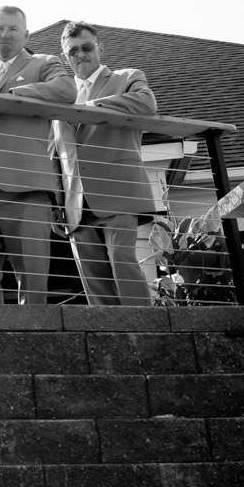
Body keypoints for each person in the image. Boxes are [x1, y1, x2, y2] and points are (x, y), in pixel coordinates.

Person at [0, 5, 76, 304]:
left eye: (13, 29)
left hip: (27, 188)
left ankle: (33, 345)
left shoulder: (44, 64)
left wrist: (14, 96)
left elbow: (66, 90)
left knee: (33, 285)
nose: (5, 34)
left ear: (26, 34)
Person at [57, 21, 159, 305]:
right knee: (93, 279)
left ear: (100, 48)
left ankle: (148, 332)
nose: (80, 55)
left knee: (122, 263)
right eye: (73, 51)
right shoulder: (61, 95)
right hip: (76, 201)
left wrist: (89, 109)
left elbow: (146, 103)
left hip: (119, 191)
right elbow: (57, 153)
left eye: (87, 47)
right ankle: (110, 339)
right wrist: (56, 201)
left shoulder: (127, 77)